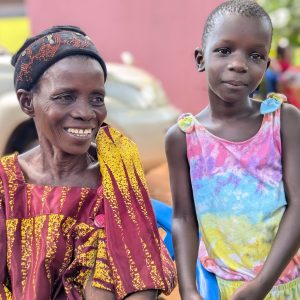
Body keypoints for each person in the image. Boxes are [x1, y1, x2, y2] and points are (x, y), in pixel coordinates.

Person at [0, 25, 176, 299]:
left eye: (96, 98)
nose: (85, 112)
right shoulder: (6, 185)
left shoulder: (116, 173)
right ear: (27, 102)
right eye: (65, 97)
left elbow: (141, 275)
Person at [165, 1, 300, 299]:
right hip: (219, 289)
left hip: (285, 285)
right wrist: (188, 290)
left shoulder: (283, 121)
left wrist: (261, 285)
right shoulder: (183, 138)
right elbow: (183, 218)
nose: (239, 64)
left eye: (255, 55)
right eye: (224, 51)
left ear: (265, 67)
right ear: (201, 58)